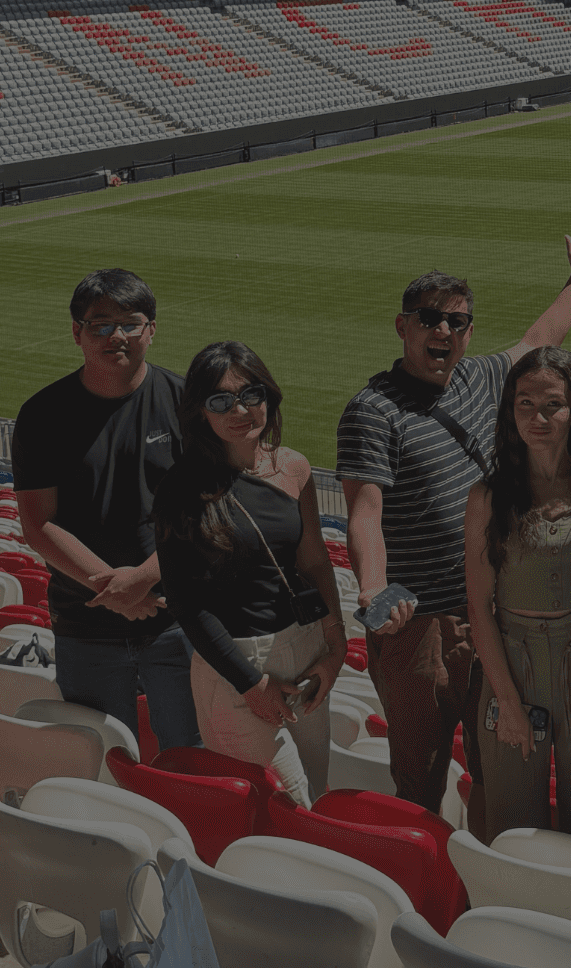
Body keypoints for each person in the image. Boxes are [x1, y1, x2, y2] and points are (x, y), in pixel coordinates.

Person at [337, 223, 571, 830]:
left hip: (494, 620)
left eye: (457, 321)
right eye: (429, 318)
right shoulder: (373, 409)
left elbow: (540, 340)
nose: (444, 331)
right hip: (421, 629)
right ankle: (429, 897)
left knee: (500, 769)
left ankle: (486, 883)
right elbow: (365, 515)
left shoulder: (481, 379)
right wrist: (372, 590)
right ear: (403, 326)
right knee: (421, 776)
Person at [13, 269, 200, 752]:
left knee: (189, 757)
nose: (116, 336)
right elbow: (38, 523)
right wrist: (113, 589)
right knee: (102, 761)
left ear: (151, 330)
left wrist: (142, 580)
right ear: (76, 333)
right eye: (100, 325)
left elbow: (209, 512)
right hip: (85, 627)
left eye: (130, 323)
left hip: (177, 621)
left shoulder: (186, 405)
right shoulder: (42, 414)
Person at [152, 342, 346, 806]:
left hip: (304, 651)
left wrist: (335, 644)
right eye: (221, 400)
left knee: (314, 799)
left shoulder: (293, 467)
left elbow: (315, 560)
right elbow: (184, 602)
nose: (239, 409)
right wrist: (250, 683)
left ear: (269, 397)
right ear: (200, 411)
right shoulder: (181, 488)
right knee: (286, 808)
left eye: (251, 394)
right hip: (236, 667)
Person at [464, 347, 571, 843]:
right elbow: (479, 607)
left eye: (552, 404)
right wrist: (507, 701)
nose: (538, 418)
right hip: (512, 660)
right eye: (525, 404)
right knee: (511, 822)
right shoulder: (487, 496)